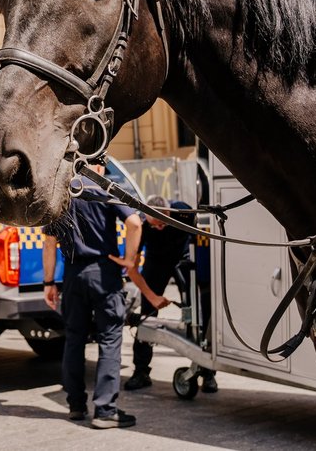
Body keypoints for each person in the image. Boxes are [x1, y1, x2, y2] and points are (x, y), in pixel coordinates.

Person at [42, 163, 160, 429]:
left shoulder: (60, 195)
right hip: (104, 273)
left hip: (72, 275)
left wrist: (49, 282)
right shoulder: (104, 189)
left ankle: (75, 406)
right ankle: (105, 410)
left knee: (73, 340)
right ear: (97, 165)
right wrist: (130, 261)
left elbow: (49, 244)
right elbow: (133, 223)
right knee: (109, 339)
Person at [119, 196, 217, 393]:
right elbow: (133, 265)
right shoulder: (143, 225)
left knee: (198, 312)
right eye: (156, 225)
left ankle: (207, 372)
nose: (160, 227)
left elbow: (203, 233)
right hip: (156, 263)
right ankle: (141, 371)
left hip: (183, 260)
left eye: (163, 223)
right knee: (147, 313)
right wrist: (150, 294)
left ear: (168, 212)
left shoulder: (183, 211)